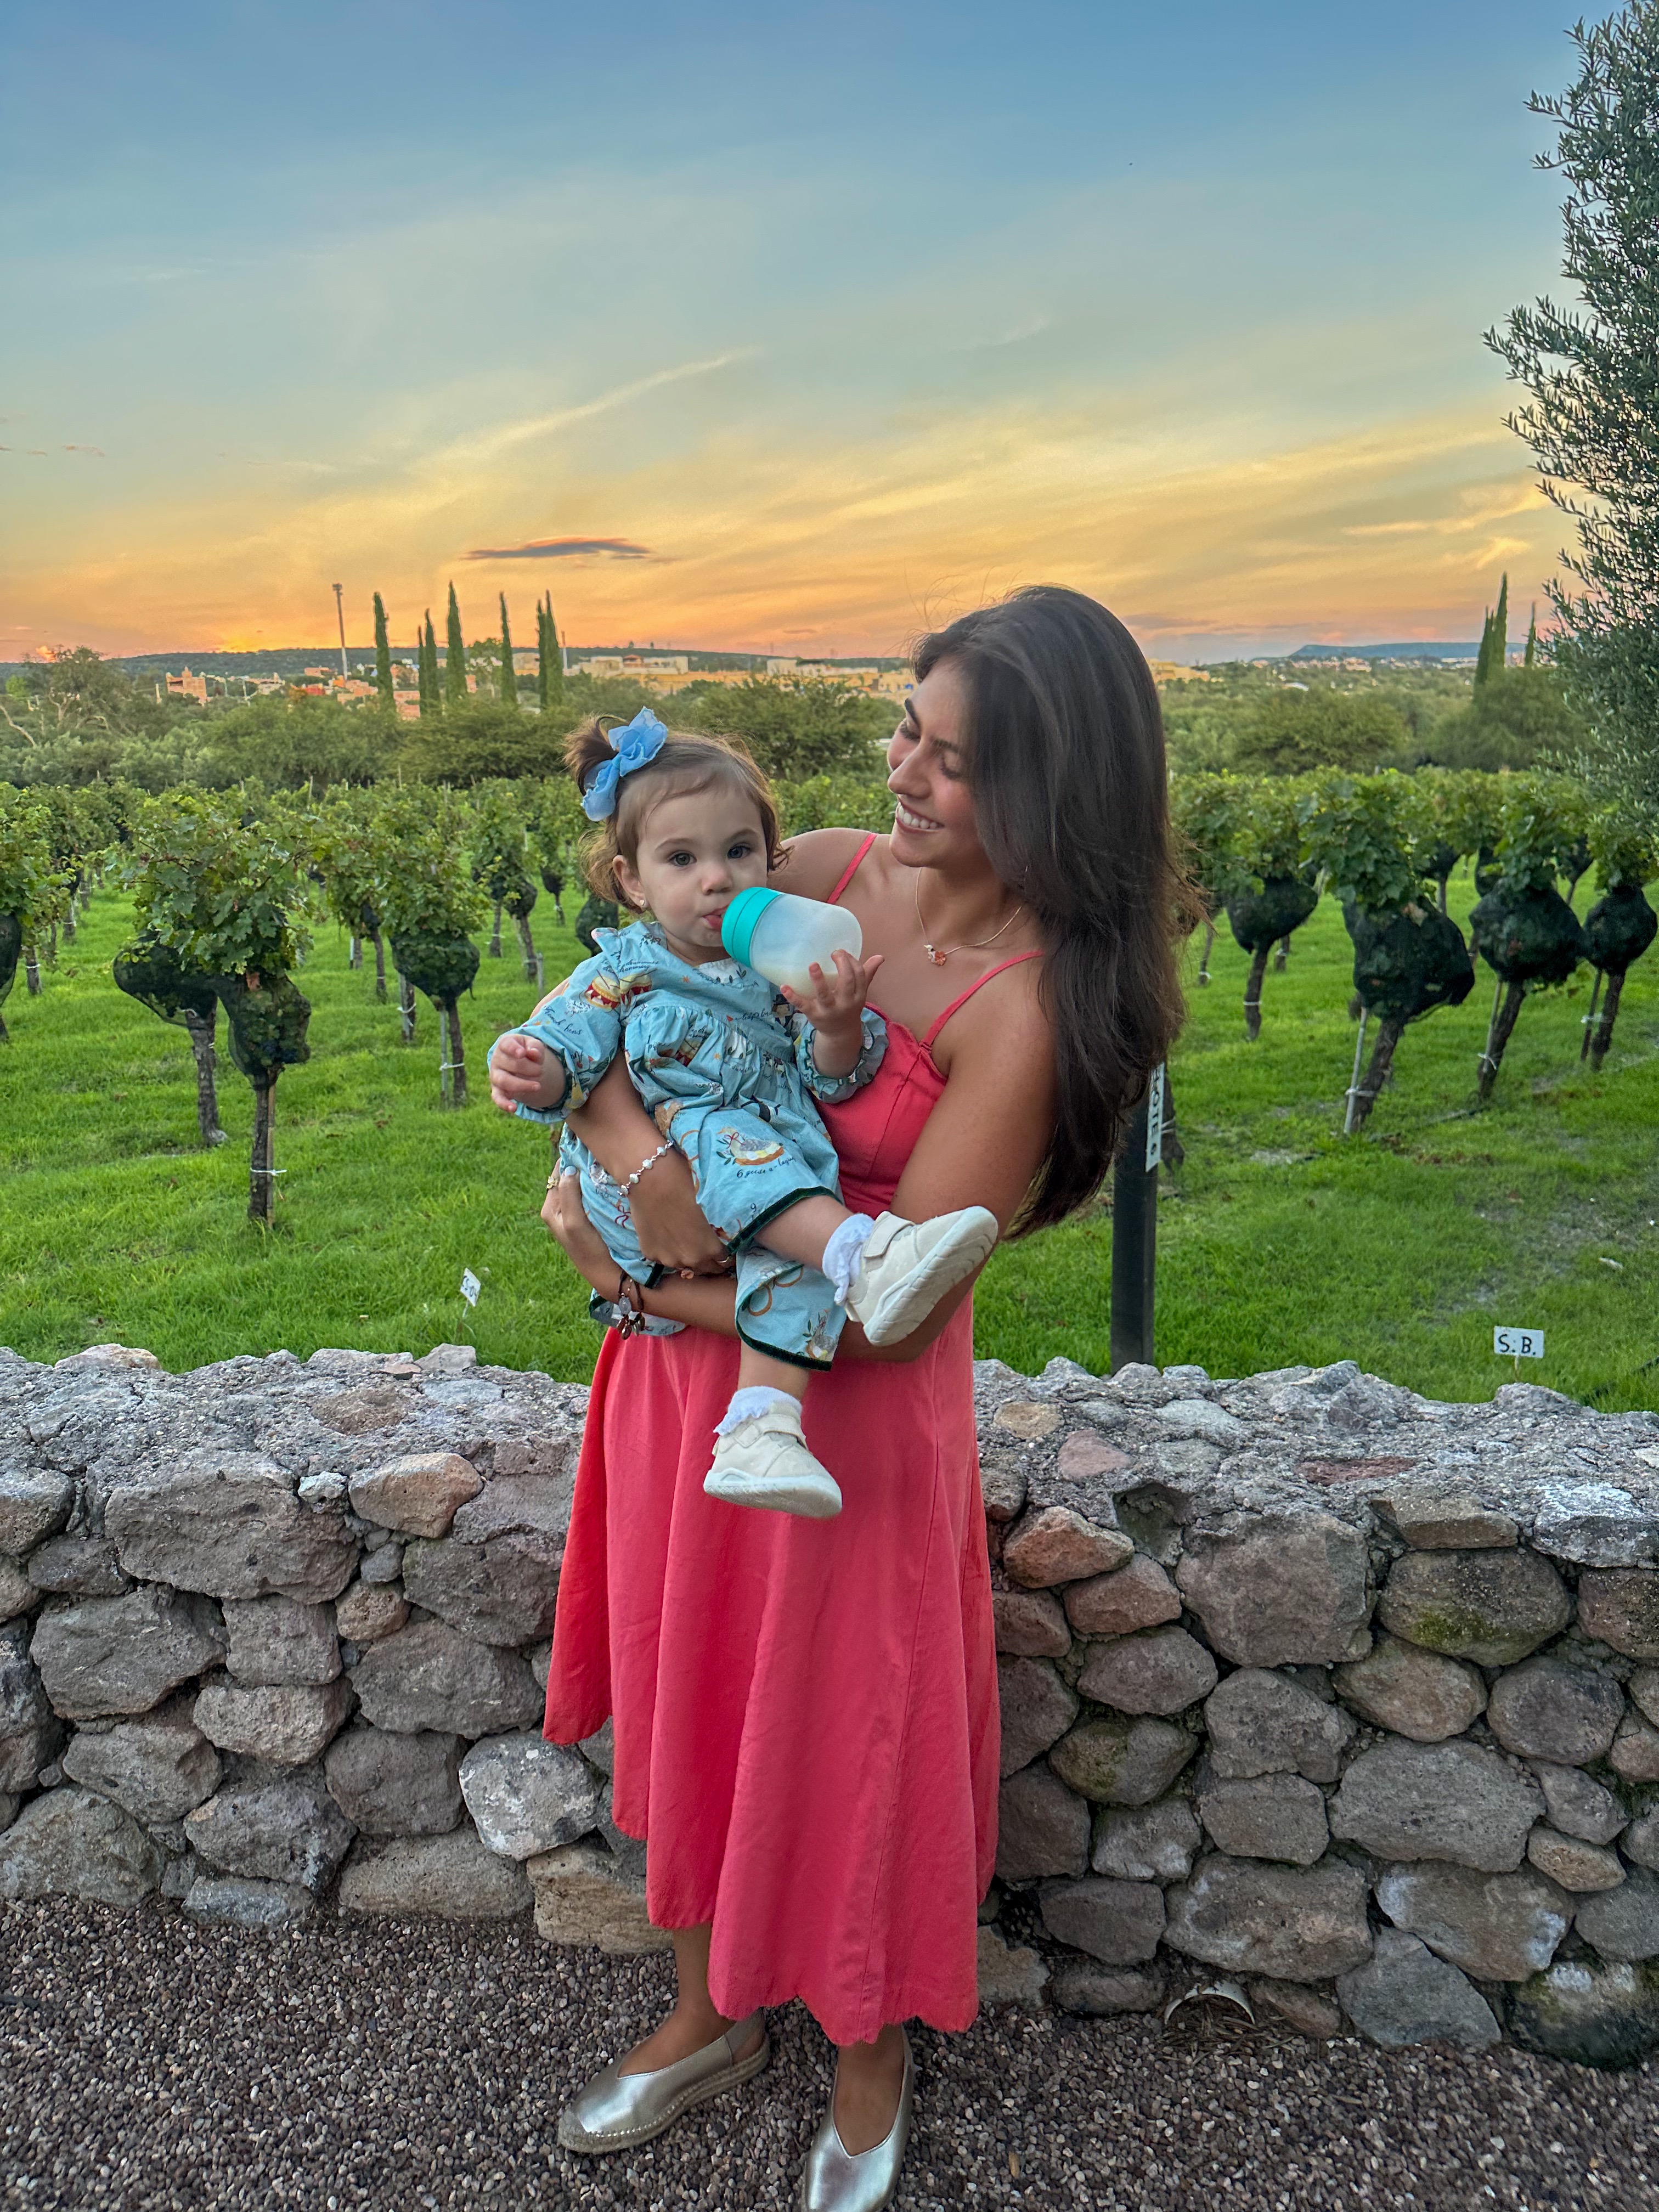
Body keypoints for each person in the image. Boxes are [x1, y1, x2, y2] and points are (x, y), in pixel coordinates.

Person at [494, 586, 1191, 2211]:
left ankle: (869, 2058)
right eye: (906, 728)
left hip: (844, 1420)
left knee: (853, 1729)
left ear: (1057, 789)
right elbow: (618, 1019)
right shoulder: (804, 874)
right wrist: (630, 1163)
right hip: (682, 1394)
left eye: (954, 759)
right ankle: (709, 2012)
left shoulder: (1033, 1006)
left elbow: (886, 1316)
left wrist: (636, 1276)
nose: (903, 773)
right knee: (695, 1693)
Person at [488, 712, 1000, 1516]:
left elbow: (830, 1078)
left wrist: (836, 1026)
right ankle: (864, 1257)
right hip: (659, 1187)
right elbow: (569, 1056)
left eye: (738, 852)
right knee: (739, 1146)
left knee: (792, 1270)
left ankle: (760, 1430)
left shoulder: (773, 967)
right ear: (632, 881)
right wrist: (532, 1067)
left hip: (760, 1189)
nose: (716, 879)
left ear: (770, 857)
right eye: (681, 859)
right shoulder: (628, 967)